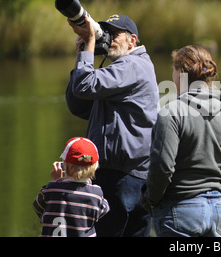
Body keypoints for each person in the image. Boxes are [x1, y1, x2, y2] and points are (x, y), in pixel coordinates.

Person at [141, 45, 221, 237]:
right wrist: (215, 188)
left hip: (179, 209)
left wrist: (150, 199)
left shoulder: (172, 112)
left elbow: (162, 167)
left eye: (174, 72)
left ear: (181, 73)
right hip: (216, 211)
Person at [65, 14, 159, 237]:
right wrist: (82, 56)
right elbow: (79, 105)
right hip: (133, 175)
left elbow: (85, 86)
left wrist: (88, 49)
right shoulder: (128, 70)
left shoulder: (132, 65)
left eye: (115, 34)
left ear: (132, 40)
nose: (109, 40)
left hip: (120, 177)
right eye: (105, 34)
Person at [33, 137, 110, 237]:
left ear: (65, 164)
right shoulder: (96, 193)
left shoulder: (50, 189)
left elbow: (38, 207)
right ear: (94, 167)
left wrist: (56, 181)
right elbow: (103, 210)